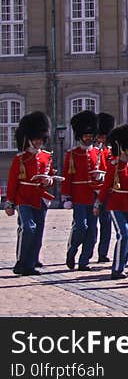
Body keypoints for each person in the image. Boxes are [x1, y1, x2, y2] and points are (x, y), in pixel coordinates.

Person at [5, 112, 54, 276]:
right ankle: (21, 262)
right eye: (36, 139)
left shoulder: (47, 156)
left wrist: (49, 181)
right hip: (23, 197)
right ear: (29, 139)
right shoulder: (20, 159)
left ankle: (31, 262)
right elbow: (13, 182)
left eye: (41, 139)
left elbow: (51, 175)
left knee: (38, 230)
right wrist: (10, 202)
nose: (39, 142)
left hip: (39, 197)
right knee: (28, 227)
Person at [94, 124, 128, 280]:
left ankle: (122, 265)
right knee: (124, 235)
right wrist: (98, 204)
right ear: (121, 148)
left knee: (127, 236)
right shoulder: (113, 166)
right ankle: (117, 269)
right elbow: (106, 186)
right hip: (115, 203)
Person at [62, 110, 101, 272]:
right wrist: (66, 197)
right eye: (85, 136)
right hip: (78, 197)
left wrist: (101, 181)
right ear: (80, 136)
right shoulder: (72, 154)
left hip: (94, 197)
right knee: (81, 227)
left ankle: (84, 261)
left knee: (92, 231)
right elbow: (67, 177)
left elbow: (104, 173)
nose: (88, 138)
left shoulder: (98, 153)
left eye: (90, 135)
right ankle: (72, 250)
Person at [94, 112, 115, 263]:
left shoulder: (110, 151)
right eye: (99, 137)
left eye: (103, 137)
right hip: (92, 190)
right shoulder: (91, 151)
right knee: (89, 225)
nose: (101, 139)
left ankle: (103, 252)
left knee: (106, 223)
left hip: (106, 190)